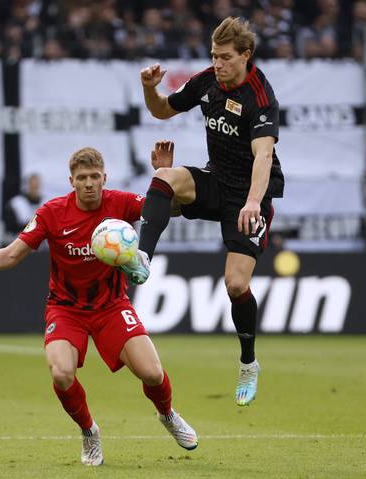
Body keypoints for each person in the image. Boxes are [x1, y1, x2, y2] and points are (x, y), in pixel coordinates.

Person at [0, 144, 197, 467]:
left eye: (94, 177)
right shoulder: (51, 213)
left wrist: (164, 179)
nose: (88, 183)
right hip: (66, 308)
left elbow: (173, 209)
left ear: (104, 178)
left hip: (111, 305)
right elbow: (12, 254)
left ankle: (167, 415)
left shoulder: (120, 203)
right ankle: (89, 431)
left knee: (152, 373)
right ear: (71, 180)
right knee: (61, 373)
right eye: (82, 177)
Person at [120, 16, 285, 408]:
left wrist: (251, 202)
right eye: (214, 56)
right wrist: (148, 88)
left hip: (250, 197)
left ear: (246, 56)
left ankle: (248, 362)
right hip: (215, 180)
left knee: (235, 285)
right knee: (164, 177)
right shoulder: (207, 81)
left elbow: (263, 156)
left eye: (226, 57)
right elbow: (162, 110)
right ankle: (142, 257)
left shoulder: (260, 96)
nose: (218, 64)